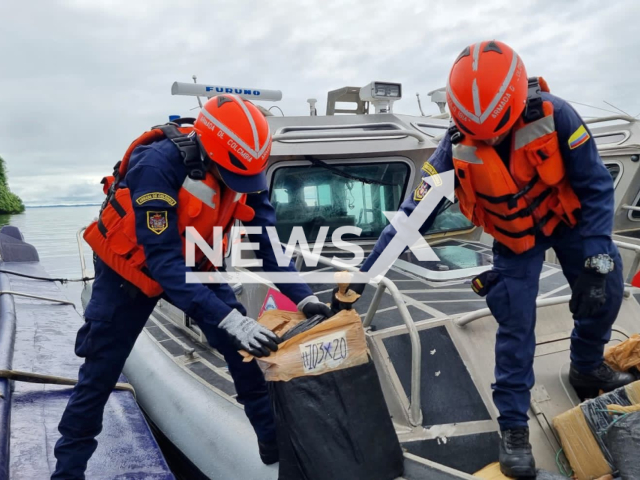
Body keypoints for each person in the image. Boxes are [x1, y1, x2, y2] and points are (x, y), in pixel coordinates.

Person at [337, 40, 635, 478]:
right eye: (481, 134)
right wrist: (364, 275)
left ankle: (587, 367)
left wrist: (595, 254)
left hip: (569, 224)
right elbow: (410, 218)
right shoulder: (451, 149)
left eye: (498, 130)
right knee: (515, 325)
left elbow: (594, 184)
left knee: (604, 293)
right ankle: (513, 427)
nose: (490, 138)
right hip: (515, 240)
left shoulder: (558, 116)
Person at [52, 94, 332, 479]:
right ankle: (67, 470)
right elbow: (164, 264)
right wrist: (230, 320)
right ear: (209, 151)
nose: (244, 185)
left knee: (245, 355)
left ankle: (275, 448)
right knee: (99, 374)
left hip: (198, 265)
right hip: (130, 272)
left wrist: (306, 298)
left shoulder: (245, 168)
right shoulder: (156, 165)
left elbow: (267, 245)